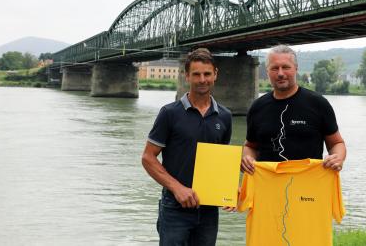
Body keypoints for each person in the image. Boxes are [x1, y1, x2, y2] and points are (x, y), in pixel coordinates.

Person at [141, 48, 232, 246]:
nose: (202, 79)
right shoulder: (169, 113)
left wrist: (229, 191)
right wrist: (177, 188)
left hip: (208, 210)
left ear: (215, 74)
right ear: (186, 75)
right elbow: (148, 157)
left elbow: (221, 162)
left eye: (207, 74)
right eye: (196, 74)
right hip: (174, 207)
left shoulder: (225, 116)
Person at [241, 44, 346, 174]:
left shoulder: (318, 103)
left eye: (286, 67)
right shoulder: (257, 107)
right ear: (267, 71)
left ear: (296, 69)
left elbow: (337, 143)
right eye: (274, 68)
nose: (280, 73)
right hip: (267, 186)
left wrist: (337, 158)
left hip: (308, 187)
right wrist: (248, 158)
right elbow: (250, 146)